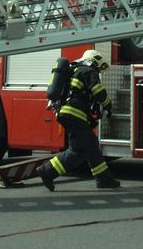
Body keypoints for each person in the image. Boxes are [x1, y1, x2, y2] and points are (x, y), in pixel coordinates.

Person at [39, 49, 121, 190]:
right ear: (94, 61)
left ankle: (103, 179)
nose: (99, 71)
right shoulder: (88, 71)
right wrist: (109, 106)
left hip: (67, 112)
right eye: (99, 67)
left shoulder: (74, 70)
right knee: (78, 150)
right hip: (74, 113)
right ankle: (48, 171)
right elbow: (98, 91)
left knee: (92, 145)